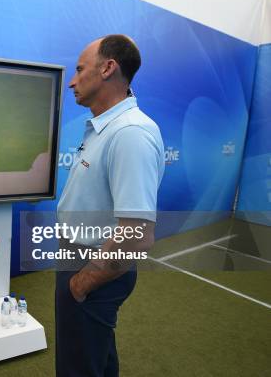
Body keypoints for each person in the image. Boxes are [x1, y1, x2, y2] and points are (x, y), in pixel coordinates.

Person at [55, 35, 164, 376]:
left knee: (80, 366)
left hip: (93, 269)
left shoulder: (130, 133)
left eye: (79, 69)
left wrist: (83, 282)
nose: (72, 81)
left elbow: (136, 236)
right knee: (97, 360)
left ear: (107, 68)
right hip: (79, 261)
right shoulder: (108, 127)